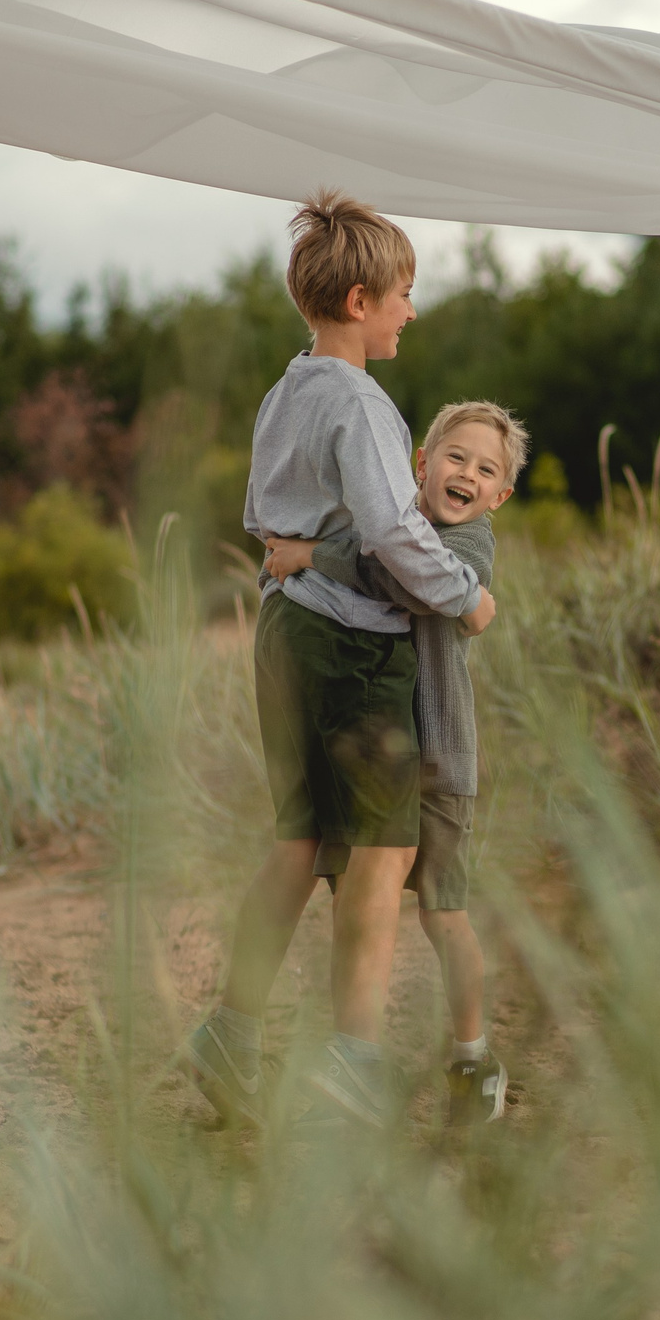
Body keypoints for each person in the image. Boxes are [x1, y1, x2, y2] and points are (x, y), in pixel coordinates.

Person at [181, 193, 498, 1132]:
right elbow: (396, 533)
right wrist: (465, 594)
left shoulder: (286, 392)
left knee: (299, 838)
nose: (412, 311)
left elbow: (261, 516)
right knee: (382, 848)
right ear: (360, 302)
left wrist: (303, 555)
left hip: (282, 631)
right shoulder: (362, 404)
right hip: (354, 644)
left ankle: (230, 1035)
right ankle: (353, 1059)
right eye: (404, 295)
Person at [261, 400, 528, 1125]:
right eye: (456, 457)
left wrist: (311, 556)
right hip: (374, 752)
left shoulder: (469, 546)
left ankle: (473, 1054)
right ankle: (352, 1052)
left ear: (500, 495)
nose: (467, 474)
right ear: (421, 464)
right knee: (355, 900)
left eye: (486, 469)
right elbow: (377, 555)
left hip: (437, 758)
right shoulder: (390, 527)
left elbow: (405, 581)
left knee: (444, 915)